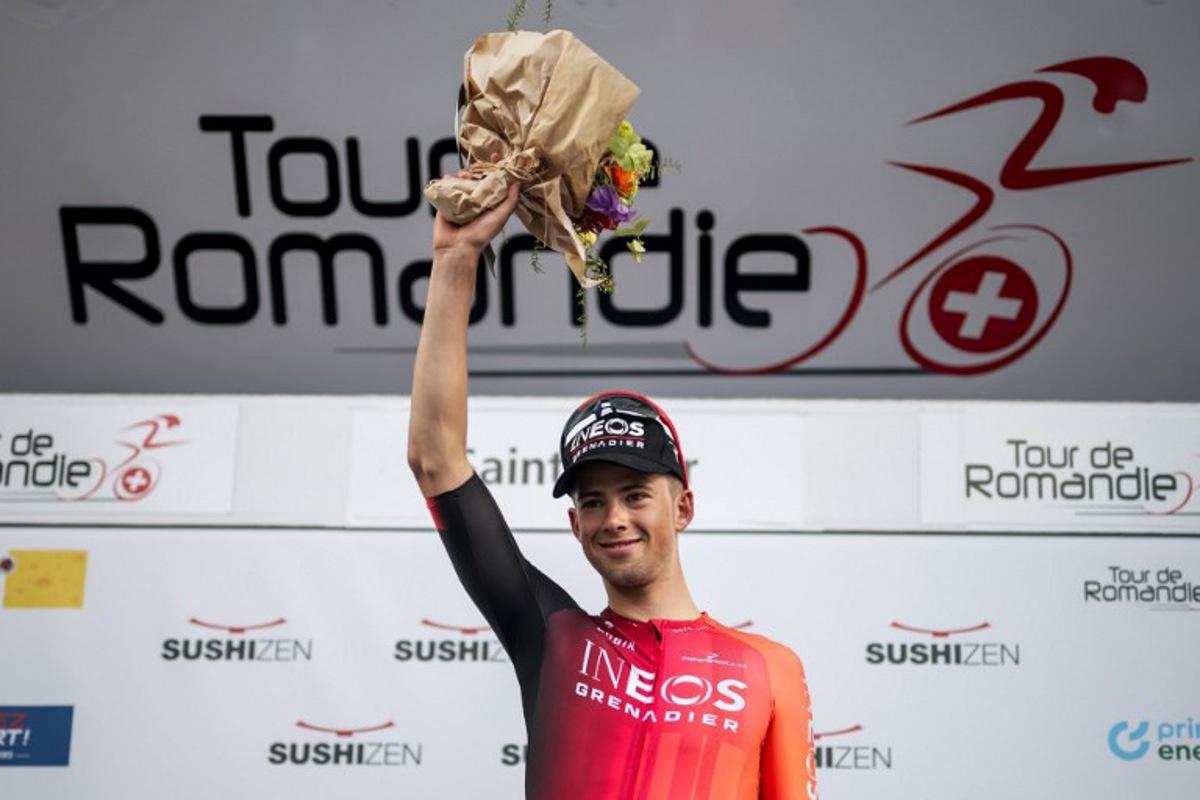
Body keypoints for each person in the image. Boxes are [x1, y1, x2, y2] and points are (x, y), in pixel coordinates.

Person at [407, 176, 818, 799]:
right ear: (576, 526)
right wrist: (455, 258)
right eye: (593, 501)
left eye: (635, 494)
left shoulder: (769, 668)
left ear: (683, 507)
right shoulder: (553, 638)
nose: (614, 517)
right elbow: (436, 461)